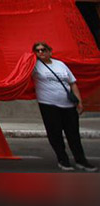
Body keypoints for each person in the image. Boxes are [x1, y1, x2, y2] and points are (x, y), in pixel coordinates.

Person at [31, 41, 97, 172]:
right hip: (48, 105)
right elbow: (19, 72)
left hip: (68, 105)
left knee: (74, 134)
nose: (40, 52)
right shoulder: (34, 66)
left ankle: (81, 160)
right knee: (55, 134)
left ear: (50, 51)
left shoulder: (60, 64)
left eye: (43, 50)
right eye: (37, 51)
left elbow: (73, 83)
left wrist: (79, 102)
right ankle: (63, 159)